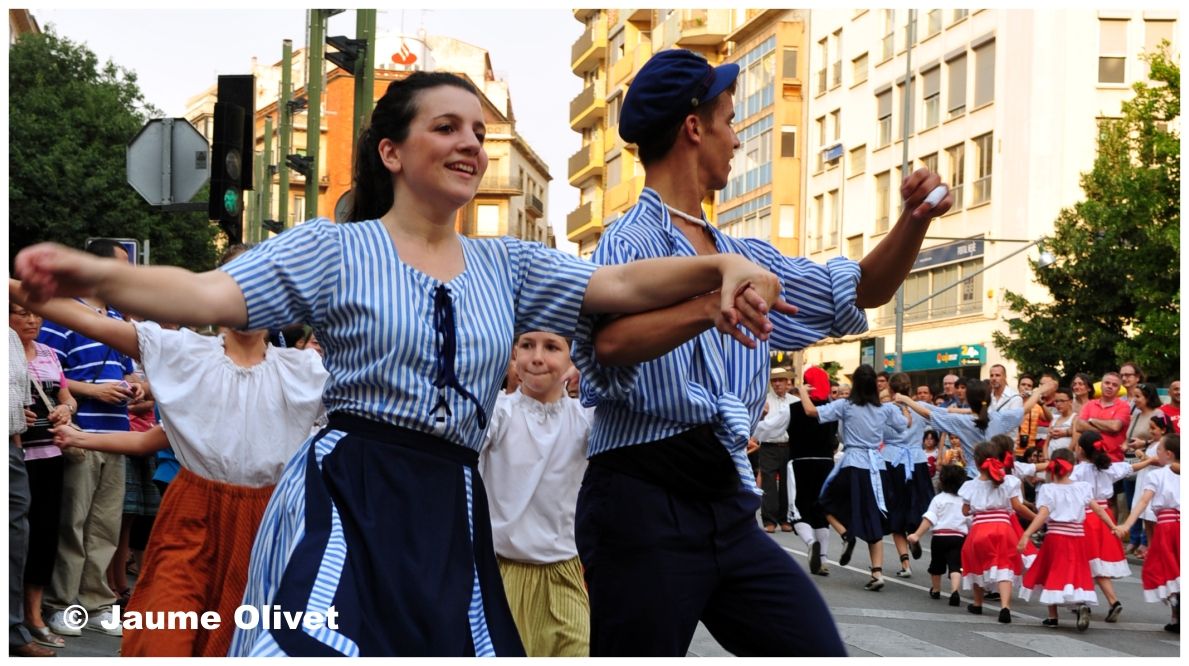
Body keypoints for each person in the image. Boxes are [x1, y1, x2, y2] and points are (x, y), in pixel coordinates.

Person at [14, 71, 788, 658]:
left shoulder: (509, 265)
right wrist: (93, 276)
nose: (470, 145)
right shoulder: (333, 248)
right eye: (446, 127)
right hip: (350, 489)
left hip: (449, 499)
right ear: (392, 151)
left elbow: (616, 284)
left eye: (478, 132)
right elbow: (204, 295)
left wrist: (716, 268)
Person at [570, 48, 951, 657]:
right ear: (694, 128)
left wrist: (913, 220)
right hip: (641, 498)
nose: (737, 137)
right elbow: (608, 345)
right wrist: (704, 306)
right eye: (728, 118)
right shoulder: (630, 239)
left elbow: (856, 290)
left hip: (724, 498)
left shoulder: (746, 256)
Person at [13, 242, 330, 657]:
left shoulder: (305, 372)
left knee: (239, 644)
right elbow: (82, 319)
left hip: (270, 525)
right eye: (242, 288)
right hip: (192, 514)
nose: (254, 301)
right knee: (163, 637)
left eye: (269, 289)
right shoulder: (184, 353)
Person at [37, 238, 143, 639]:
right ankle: (61, 603)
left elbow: (129, 370)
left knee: (105, 525)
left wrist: (133, 386)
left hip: (116, 435)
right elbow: (47, 376)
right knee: (74, 522)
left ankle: (96, 602)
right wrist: (95, 391)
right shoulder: (64, 316)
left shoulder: (116, 316)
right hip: (80, 434)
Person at [478, 331, 591, 657]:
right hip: (503, 571)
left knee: (578, 649)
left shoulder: (584, 421)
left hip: (564, 571)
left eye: (552, 347)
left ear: (573, 359)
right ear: (513, 356)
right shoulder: (499, 413)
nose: (537, 357)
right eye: (527, 346)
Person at [801, 365, 908, 593]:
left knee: (824, 502)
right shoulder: (884, 409)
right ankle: (877, 572)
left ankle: (845, 533)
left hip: (853, 462)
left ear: (857, 384)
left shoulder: (846, 405)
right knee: (874, 516)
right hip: (877, 467)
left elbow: (812, 412)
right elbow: (903, 427)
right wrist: (905, 407)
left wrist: (802, 392)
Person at [9, 303, 76, 651]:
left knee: (44, 534)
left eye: (36, 313)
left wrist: (66, 408)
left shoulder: (49, 353)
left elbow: (67, 398)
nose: (32, 319)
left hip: (50, 454)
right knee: (17, 537)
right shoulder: (7, 350)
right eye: (21, 312)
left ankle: (32, 617)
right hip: (19, 454)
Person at [1018, 448, 1121, 631]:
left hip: (1056, 536)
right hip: (1078, 537)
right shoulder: (1082, 487)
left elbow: (1043, 514)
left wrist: (1027, 533)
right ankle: (1080, 603)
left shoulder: (1048, 489)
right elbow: (1098, 510)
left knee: (1052, 572)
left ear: (1051, 468)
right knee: (1077, 571)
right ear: (1072, 468)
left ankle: (1053, 616)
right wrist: (1113, 526)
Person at [1070, 431, 1154, 624]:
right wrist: (1150, 461)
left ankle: (1083, 602)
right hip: (1106, 516)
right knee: (1097, 562)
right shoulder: (1109, 468)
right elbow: (1132, 468)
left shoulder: (1078, 472)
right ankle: (1112, 601)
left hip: (1085, 516)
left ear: (1080, 450)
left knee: (1083, 560)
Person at [896, 378, 1057, 479]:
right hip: (999, 475)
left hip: (974, 476)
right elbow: (1026, 408)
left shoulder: (961, 421)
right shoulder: (998, 418)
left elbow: (927, 413)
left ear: (969, 399)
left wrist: (905, 399)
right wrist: (1039, 391)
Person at [10, 328, 55, 658]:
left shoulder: (10, 337)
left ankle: (12, 630)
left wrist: (16, 448)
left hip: (12, 448)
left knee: (16, 538)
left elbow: (22, 399)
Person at [959, 440, 1035, 623]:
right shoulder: (1009, 482)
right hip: (1003, 528)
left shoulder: (970, 486)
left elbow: (965, 511)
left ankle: (978, 604)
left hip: (979, 529)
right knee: (1004, 567)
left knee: (977, 564)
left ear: (976, 463)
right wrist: (1037, 518)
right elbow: (1018, 507)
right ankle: (1005, 607)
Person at [1114, 433, 1180, 633]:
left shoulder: (1157, 475)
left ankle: (1177, 613)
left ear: (1168, 454)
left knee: (1164, 569)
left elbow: (1143, 502)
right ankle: (1176, 616)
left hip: (1168, 529)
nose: (1155, 453)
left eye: (1158, 449)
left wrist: (1127, 524)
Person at [785, 366, 838, 576]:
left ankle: (810, 542)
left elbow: (771, 427)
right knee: (820, 511)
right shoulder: (833, 410)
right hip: (826, 463)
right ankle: (823, 558)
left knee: (798, 509)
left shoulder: (794, 408)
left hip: (800, 462)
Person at [882, 372, 934, 579]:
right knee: (918, 505)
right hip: (917, 460)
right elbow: (935, 417)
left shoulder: (885, 410)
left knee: (895, 511)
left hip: (893, 460)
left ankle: (905, 563)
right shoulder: (920, 408)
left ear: (892, 390)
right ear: (910, 389)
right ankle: (915, 534)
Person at [907, 464, 969, 607]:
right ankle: (954, 591)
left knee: (937, 564)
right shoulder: (964, 501)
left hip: (940, 537)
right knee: (955, 565)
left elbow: (930, 518)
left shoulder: (939, 499)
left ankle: (936, 589)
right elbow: (969, 520)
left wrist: (917, 534)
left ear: (942, 481)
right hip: (958, 538)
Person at [754, 367, 797, 533]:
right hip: (769, 446)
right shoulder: (764, 400)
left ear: (787, 382)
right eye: (774, 380)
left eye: (781, 380)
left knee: (788, 483)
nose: (777, 383)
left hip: (789, 445)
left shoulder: (794, 401)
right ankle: (769, 520)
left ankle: (786, 519)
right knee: (769, 483)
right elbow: (755, 425)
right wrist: (762, 415)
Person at [1123, 382, 1161, 554]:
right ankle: (1134, 538)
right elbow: (1128, 435)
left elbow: (1163, 436)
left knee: (1148, 506)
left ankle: (1146, 542)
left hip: (1148, 462)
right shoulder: (1136, 414)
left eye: (1138, 396)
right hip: (1132, 462)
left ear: (1148, 397)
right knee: (1134, 502)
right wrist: (1126, 445)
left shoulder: (1158, 414)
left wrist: (1142, 445)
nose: (1135, 400)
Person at [1074, 372, 1131, 463]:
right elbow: (1079, 426)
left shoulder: (1124, 406)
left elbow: (1114, 427)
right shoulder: (1090, 404)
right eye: (1107, 383)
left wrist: (1091, 420)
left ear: (1119, 389)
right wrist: (1102, 429)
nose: (1110, 386)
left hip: (1112, 460)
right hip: (1088, 460)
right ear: (1101, 385)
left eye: (1114, 385)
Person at [1047, 387, 1077, 454]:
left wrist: (1067, 454)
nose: (1058, 404)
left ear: (1071, 401)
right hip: (1051, 457)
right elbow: (1046, 443)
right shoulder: (1054, 420)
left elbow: (1075, 439)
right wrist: (1046, 458)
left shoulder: (1075, 418)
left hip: (1067, 458)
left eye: (1062, 401)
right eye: (1056, 401)